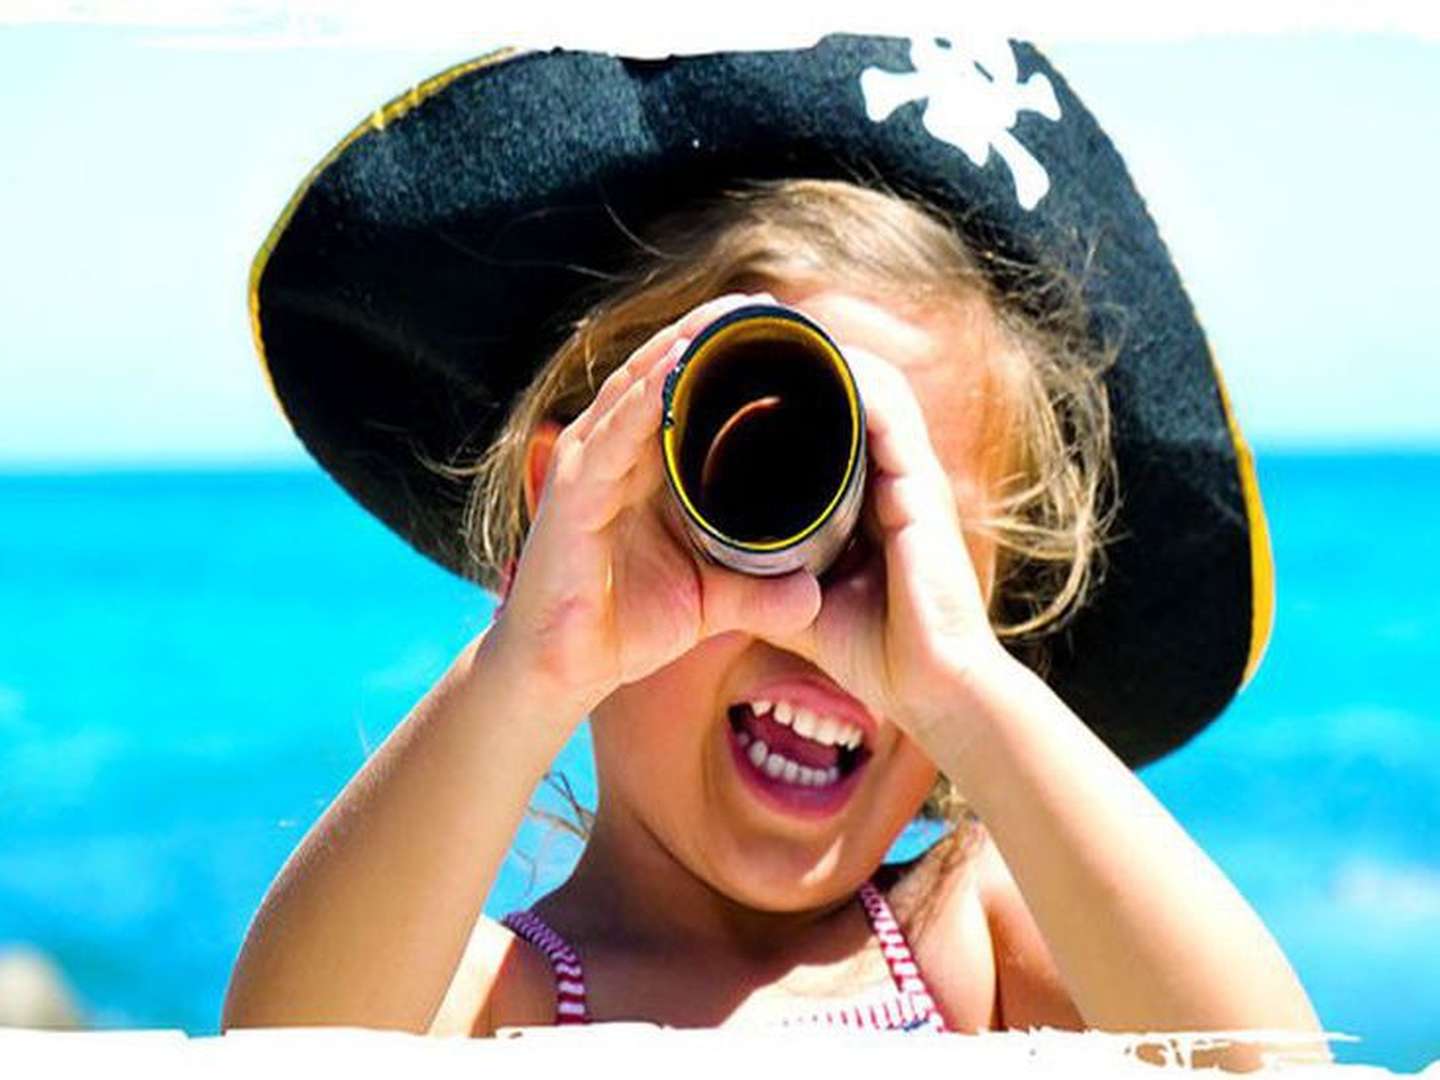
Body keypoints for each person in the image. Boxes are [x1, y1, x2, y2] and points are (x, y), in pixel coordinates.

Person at [222, 35, 1327, 1068]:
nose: (822, 620)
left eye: (906, 544)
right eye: (758, 502)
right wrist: (530, 662)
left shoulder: (972, 946)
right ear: (571, 510)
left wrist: (962, 685)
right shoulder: (494, 1003)